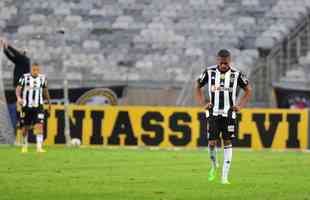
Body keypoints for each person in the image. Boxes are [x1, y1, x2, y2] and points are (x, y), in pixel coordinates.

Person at [195, 49, 252, 184]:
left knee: (227, 141)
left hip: (229, 113)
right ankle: (214, 166)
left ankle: (224, 177)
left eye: (226, 63)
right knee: (212, 143)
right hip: (213, 112)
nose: (223, 66)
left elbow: (248, 90)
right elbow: (197, 86)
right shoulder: (209, 72)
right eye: (221, 63)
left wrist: (240, 106)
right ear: (217, 61)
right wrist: (202, 103)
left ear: (229, 61)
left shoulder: (236, 74)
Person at [16, 63, 51, 153]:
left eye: (37, 70)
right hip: (26, 106)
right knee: (25, 127)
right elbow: (18, 88)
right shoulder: (24, 77)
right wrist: (19, 98)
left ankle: (39, 147)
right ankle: (24, 145)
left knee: (39, 125)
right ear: (31, 69)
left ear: (39, 70)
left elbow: (45, 90)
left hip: (38, 106)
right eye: (33, 70)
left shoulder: (42, 78)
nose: (35, 71)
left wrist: (49, 101)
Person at [1, 39, 31, 144]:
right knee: (19, 112)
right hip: (19, 89)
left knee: (21, 112)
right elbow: (11, 57)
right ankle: (21, 138)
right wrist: (5, 49)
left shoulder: (25, 60)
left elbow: (15, 54)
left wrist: (7, 45)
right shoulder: (19, 61)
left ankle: (23, 139)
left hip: (22, 88)